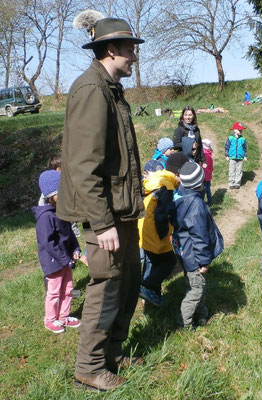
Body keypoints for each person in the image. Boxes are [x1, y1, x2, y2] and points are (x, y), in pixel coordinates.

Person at [57, 11, 146, 391]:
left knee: (128, 278)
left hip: (122, 208)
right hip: (103, 214)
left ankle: (112, 350)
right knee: (106, 283)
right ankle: (89, 367)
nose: (134, 57)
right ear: (111, 49)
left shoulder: (112, 89)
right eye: (129, 49)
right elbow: (82, 164)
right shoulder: (92, 90)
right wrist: (102, 222)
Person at [170, 162, 224, 329]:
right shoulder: (196, 206)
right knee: (196, 289)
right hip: (194, 256)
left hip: (184, 251)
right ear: (200, 183)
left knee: (196, 284)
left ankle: (201, 313)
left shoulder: (180, 198)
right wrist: (203, 261)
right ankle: (184, 323)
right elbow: (199, 237)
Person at [33, 170, 81, 334]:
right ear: (50, 195)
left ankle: (63, 317)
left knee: (68, 289)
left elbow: (70, 233)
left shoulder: (62, 211)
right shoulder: (45, 217)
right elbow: (48, 243)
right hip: (54, 262)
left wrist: (75, 249)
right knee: (54, 292)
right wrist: (63, 259)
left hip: (66, 259)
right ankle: (50, 320)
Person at [138, 152, 187, 306]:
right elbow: (161, 213)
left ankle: (153, 296)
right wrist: (163, 232)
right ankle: (145, 287)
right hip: (155, 230)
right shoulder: (166, 186)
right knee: (169, 261)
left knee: (156, 262)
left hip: (144, 227)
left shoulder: (158, 180)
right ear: (177, 173)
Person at [225, 122, 248, 189]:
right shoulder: (230, 138)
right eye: (239, 130)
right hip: (232, 157)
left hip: (240, 158)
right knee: (232, 170)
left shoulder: (243, 139)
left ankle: (237, 183)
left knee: (239, 171)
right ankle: (231, 183)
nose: (241, 131)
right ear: (234, 130)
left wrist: (245, 156)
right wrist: (227, 155)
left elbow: (245, 148)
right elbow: (227, 147)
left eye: (241, 130)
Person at [202, 138, 214, 205]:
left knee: (203, 189)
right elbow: (211, 166)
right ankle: (210, 201)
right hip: (208, 174)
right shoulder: (208, 153)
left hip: (204, 175)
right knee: (208, 189)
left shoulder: (204, 154)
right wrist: (211, 170)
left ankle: (203, 202)